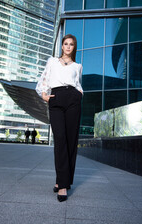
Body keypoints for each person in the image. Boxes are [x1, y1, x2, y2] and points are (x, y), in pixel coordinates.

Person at [36, 34, 83, 202]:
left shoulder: (78, 66)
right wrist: (44, 94)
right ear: (62, 46)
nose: (68, 47)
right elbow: (44, 79)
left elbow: (78, 84)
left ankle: (62, 182)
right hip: (56, 98)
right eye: (66, 44)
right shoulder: (52, 61)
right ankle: (63, 183)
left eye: (71, 44)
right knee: (60, 139)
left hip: (73, 100)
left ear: (73, 47)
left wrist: (79, 94)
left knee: (71, 141)